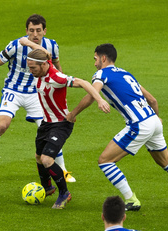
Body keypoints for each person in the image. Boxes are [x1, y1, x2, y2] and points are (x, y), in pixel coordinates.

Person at [67, 43, 168, 211]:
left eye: (95, 59)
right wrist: (157, 118)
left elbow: (92, 95)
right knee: (166, 162)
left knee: (105, 161)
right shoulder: (126, 73)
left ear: (103, 58)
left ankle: (131, 200)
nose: (94, 63)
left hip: (139, 125)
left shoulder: (101, 74)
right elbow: (153, 100)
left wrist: (72, 114)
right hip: (153, 121)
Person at [0, 14, 75, 182]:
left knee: (50, 130)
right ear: (26, 31)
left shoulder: (52, 45)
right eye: (31, 30)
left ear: (44, 31)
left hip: (36, 94)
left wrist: (60, 84)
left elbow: (55, 66)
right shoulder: (16, 45)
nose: (35, 34)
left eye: (38, 30)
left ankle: (63, 170)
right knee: (2, 125)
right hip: (14, 90)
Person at [20, 37, 110, 208]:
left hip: (61, 123)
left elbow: (83, 83)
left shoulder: (57, 77)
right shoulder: (43, 65)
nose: (31, 71)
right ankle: (47, 188)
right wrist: (28, 43)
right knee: (39, 157)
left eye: (33, 68)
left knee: (47, 159)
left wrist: (99, 100)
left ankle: (64, 193)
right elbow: (45, 53)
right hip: (46, 123)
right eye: (29, 67)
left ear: (44, 65)